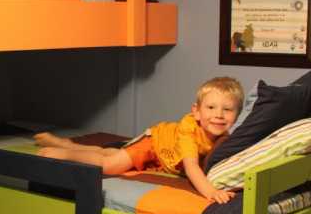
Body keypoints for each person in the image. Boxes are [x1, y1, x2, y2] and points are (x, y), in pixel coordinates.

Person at [34, 77, 244, 204]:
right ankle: (64, 152)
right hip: (154, 144)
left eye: (227, 109)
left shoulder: (226, 138)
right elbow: (191, 167)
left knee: (112, 154)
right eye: (211, 107)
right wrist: (211, 192)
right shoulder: (188, 130)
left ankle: (67, 144)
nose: (219, 115)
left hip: (165, 159)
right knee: (110, 165)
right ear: (196, 111)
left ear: (237, 114)